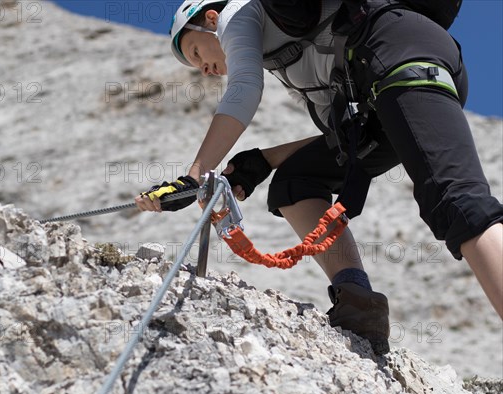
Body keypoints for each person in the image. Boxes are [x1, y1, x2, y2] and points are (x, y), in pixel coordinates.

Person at [135, 0, 503, 355]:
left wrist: (194, 176)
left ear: (210, 19)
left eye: (196, 52)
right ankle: (358, 302)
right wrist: (263, 161)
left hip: (397, 53)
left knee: (457, 202)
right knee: (295, 182)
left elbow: (245, 88)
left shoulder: (238, 13)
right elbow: (344, 138)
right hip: (402, 72)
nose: (203, 69)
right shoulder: (296, 55)